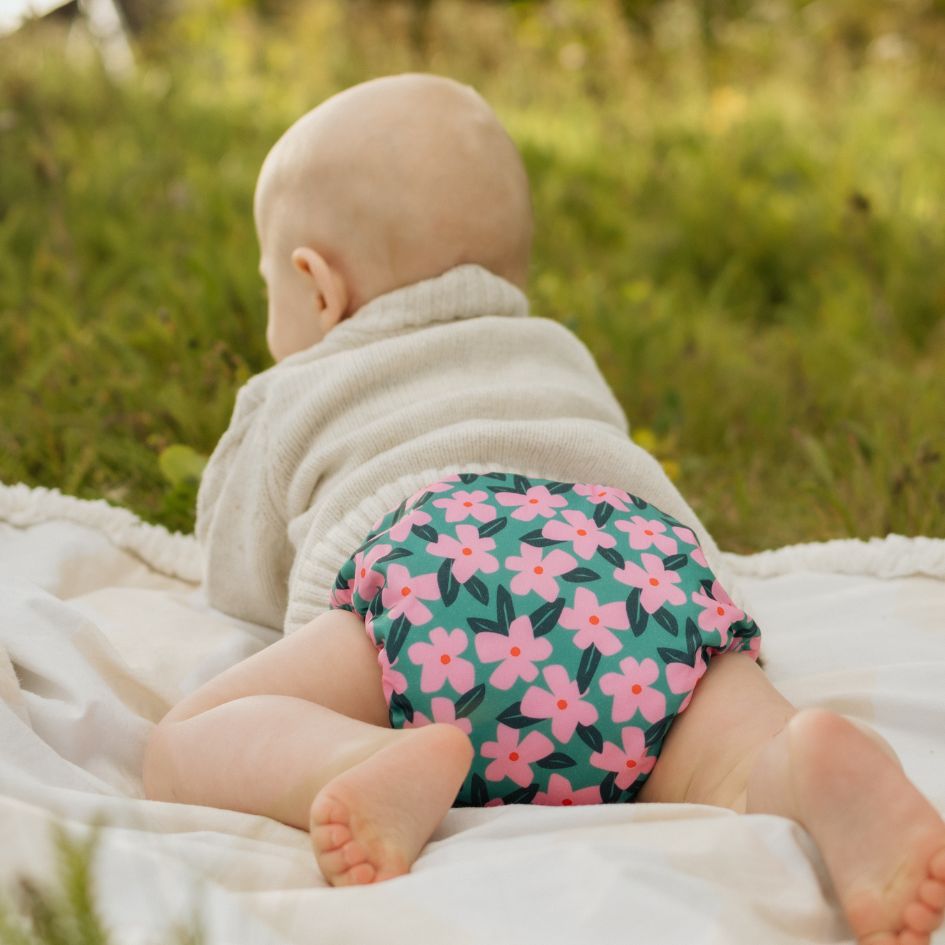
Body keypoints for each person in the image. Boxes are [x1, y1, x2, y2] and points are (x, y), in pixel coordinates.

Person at [142, 73, 945, 945]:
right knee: (725, 756)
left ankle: (360, 757)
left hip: (434, 577)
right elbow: (638, 488)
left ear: (315, 288)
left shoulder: (294, 388)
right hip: (635, 586)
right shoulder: (558, 351)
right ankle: (800, 763)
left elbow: (237, 571)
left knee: (189, 739)